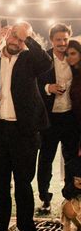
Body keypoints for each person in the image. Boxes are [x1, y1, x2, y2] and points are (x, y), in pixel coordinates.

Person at [0, 21, 52, 231]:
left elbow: (46, 62)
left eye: (21, 39)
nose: (16, 42)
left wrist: (28, 37)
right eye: (14, 37)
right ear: (7, 35)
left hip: (24, 132)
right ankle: (0, 229)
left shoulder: (30, 60)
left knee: (24, 184)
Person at [36, 24, 76, 215]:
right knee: (46, 158)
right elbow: (33, 83)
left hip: (71, 117)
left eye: (65, 39)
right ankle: (45, 198)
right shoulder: (43, 58)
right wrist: (47, 88)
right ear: (51, 40)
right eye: (58, 39)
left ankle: (70, 196)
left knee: (71, 159)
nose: (62, 43)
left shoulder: (75, 57)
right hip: (49, 117)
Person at [62, 39, 81, 231]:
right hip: (73, 133)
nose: (69, 57)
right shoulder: (74, 74)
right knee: (74, 178)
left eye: (73, 53)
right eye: (67, 54)